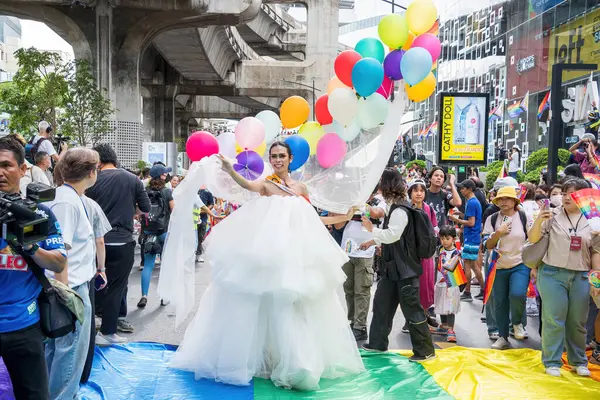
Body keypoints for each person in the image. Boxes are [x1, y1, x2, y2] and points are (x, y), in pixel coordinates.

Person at [168, 142, 364, 390]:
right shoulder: (267, 185)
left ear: (291, 158)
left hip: (296, 258)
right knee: (264, 306)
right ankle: (273, 361)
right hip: (268, 258)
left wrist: (344, 216)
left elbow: (313, 218)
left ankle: (295, 362)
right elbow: (247, 185)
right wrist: (230, 169)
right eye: (274, 156)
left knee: (294, 309)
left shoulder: (301, 188)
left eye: (282, 156)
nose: (278, 160)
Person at [0, 137, 67, 400]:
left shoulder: (39, 214)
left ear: (22, 169)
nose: (0, 172)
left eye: (6, 165)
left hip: (23, 325)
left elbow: (59, 261)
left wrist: (29, 246)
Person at [360, 168, 436, 362]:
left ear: (386, 186)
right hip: (393, 268)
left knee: (412, 309)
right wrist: (373, 239)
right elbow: (392, 236)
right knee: (382, 304)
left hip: (404, 270)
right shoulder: (395, 207)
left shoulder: (400, 210)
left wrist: (372, 230)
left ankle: (425, 351)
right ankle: (377, 344)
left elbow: (393, 235)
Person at [529, 178, 600, 378]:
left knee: (578, 321)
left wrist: (596, 279)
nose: (567, 197)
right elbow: (533, 239)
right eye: (565, 192)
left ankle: (578, 361)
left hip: (581, 276)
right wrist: (538, 221)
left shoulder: (593, 219)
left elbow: (596, 251)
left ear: (584, 197)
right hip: (552, 273)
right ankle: (552, 361)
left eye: (574, 193)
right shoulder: (551, 215)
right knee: (553, 319)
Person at [44, 148, 99, 399]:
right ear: (91, 172)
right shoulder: (66, 201)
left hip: (66, 286)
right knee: (70, 349)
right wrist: (65, 295)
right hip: (69, 288)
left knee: (58, 348)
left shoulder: (67, 196)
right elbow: (60, 251)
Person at [87, 144, 150, 345]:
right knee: (116, 287)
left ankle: (90, 328)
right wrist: (129, 211)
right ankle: (108, 332)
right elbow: (145, 208)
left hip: (96, 242)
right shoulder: (133, 179)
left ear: (98, 161)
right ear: (114, 159)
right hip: (123, 241)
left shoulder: (91, 181)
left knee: (93, 284)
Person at [482, 187, 533, 350]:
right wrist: (498, 233)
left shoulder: (524, 216)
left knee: (517, 294)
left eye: (507, 199)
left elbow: (533, 239)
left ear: (514, 201)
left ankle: (517, 322)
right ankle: (503, 337)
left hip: (520, 264)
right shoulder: (492, 219)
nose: (503, 202)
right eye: (500, 199)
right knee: (500, 302)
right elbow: (486, 245)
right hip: (498, 266)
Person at [340, 187, 386, 341]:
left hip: (366, 251)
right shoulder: (350, 199)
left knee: (362, 290)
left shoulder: (379, 200)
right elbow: (339, 225)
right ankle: (352, 322)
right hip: (347, 249)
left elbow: (377, 213)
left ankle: (360, 327)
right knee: (349, 290)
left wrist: (360, 204)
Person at [138, 164, 174, 308]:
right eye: (165, 173)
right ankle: (164, 297)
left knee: (148, 265)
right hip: (163, 232)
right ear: (162, 176)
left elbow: (139, 212)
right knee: (166, 265)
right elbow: (174, 211)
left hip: (148, 234)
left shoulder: (145, 191)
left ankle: (144, 296)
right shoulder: (167, 191)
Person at [408, 179, 438, 326]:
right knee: (412, 286)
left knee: (426, 284)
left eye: (421, 190)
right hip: (410, 255)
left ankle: (424, 314)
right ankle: (411, 319)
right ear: (410, 193)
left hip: (426, 255)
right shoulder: (406, 209)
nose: (419, 193)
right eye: (415, 190)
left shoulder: (429, 209)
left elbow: (434, 230)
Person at [448, 179, 484, 302]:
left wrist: (455, 219)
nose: (461, 190)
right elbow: (471, 219)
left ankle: (468, 292)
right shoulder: (473, 201)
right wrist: (462, 215)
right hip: (473, 237)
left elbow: (471, 222)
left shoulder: (472, 203)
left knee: (468, 265)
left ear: (469, 189)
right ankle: (483, 290)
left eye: (462, 188)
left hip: (471, 238)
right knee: (473, 266)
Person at [430, 225, 463, 343]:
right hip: (440, 281)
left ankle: (451, 329)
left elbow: (453, 267)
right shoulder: (439, 249)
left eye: (447, 238)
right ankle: (443, 325)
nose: (444, 241)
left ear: (453, 238)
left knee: (450, 307)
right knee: (440, 305)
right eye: (442, 238)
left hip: (451, 284)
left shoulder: (456, 253)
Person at [196, 188, 215, 262]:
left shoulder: (208, 191)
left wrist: (204, 210)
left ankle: (199, 255)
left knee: (201, 237)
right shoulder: (193, 189)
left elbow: (211, 204)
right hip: (192, 219)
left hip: (203, 218)